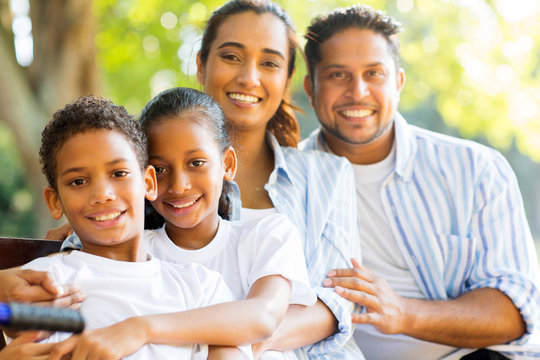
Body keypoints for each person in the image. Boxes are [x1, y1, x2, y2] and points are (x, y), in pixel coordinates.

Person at [300, 4, 540, 360]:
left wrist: (402, 312)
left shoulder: (475, 169)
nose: (358, 91)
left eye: (374, 73)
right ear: (311, 87)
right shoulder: (288, 182)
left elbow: (516, 312)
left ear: (398, 82)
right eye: (338, 75)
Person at [51, 87, 317, 360]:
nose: (179, 185)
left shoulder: (268, 234)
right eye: (162, 169)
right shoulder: (137, 256)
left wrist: (141, 329)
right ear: (147, 179)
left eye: (196, 162)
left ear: (227, 164)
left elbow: (262, 317)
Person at [195, 1, 362, 359]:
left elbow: (335, 304)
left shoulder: (327, 176)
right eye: (232, 57)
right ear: (200, 65)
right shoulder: (151, 174)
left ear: (286, 80)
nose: (249, 77)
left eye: (269, 63)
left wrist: (241, 342)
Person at [22, 95, 244, 359]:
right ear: (55, 200)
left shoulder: (201, 286)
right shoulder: (46, 283)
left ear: (148, 182)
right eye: (79, 181)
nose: (102, 194)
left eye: (118, 174)